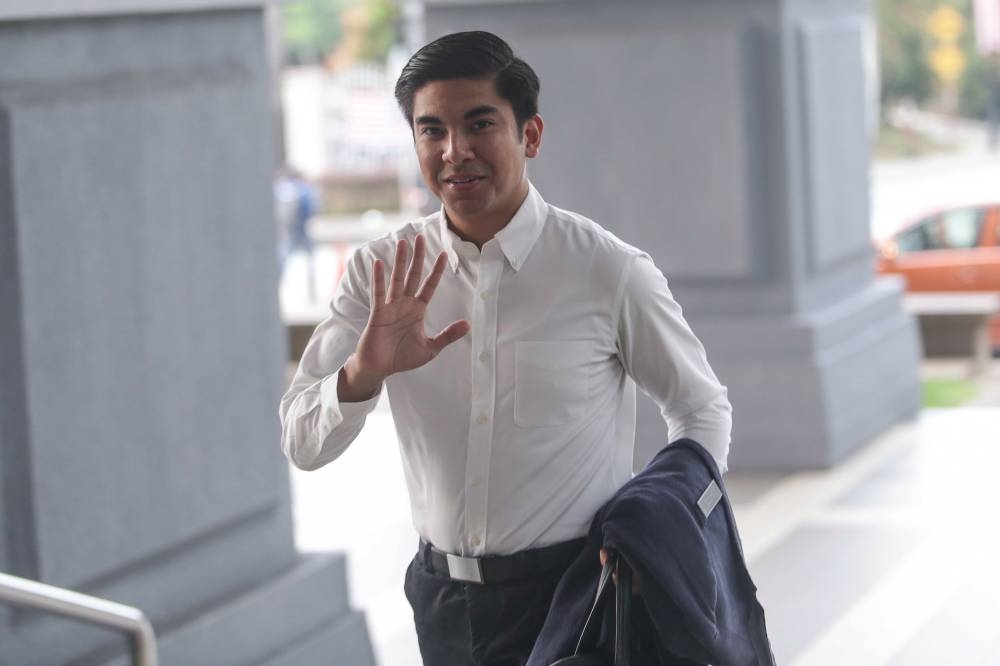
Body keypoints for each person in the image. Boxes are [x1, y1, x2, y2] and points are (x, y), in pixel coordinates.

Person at [279, 31, 732, 665]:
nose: (454, 151)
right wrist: (362, 371)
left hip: (579, 595)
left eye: (479, 124)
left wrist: (663, 528)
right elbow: (302, 445)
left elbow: (701, 408)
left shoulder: (608, 270)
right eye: (431, 130)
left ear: (530, 135)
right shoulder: (379, 275)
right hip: (442, 601)